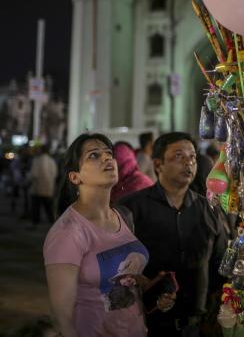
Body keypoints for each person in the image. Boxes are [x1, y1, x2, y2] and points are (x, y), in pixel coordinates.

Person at [117, 132, 227, 337]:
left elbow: (220, 264)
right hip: (147, 325)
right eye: (179, 156)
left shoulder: (209, 210)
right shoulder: (132, 208)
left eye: (193, 157)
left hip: (196, 325)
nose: (189, 162)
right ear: (158, 164)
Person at [43, 133, 151, 337]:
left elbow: (122, 277)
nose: (107, 158)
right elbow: (61, 315)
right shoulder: (68, 232)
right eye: (94, 155)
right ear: (75, 177)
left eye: (109, 153)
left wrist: (151, 287)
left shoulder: (123, 215)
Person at [30, 145, 58, 227]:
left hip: (37, 188)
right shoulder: (52, 161)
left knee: (36, 207)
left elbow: (34, 174)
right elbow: (55, 174)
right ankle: (54, 224)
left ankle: (35, 223)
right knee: (49, 208)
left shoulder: (37, 160)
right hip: (49, 188)